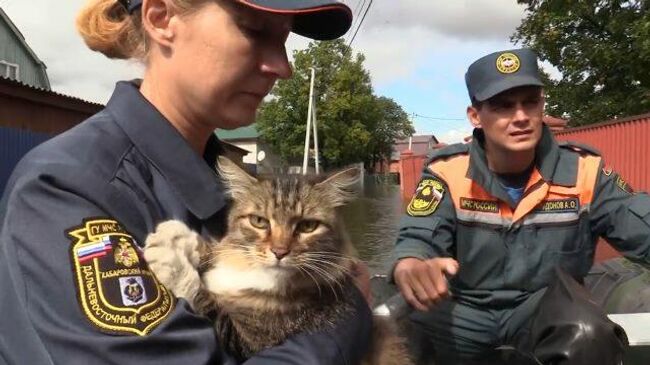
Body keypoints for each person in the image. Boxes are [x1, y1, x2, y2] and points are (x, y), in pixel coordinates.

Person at [0, 0, 373, 364]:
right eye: (254, 30)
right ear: (162, 19)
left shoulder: (231, 180)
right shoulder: (67, 190)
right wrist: (345, 322)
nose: (282, 66)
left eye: (284, 41)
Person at [390, 48, 649, 364]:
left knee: (587, 331)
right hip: (464, 310)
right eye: (503, 106)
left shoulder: (585, 172)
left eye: (530, 102)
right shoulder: (448, 171)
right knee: (389, 329)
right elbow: (419, 236)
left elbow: (638, 223)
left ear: (541, 106)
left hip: (542, 308)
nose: (521, 116)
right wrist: (412, 263)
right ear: (475, 115)